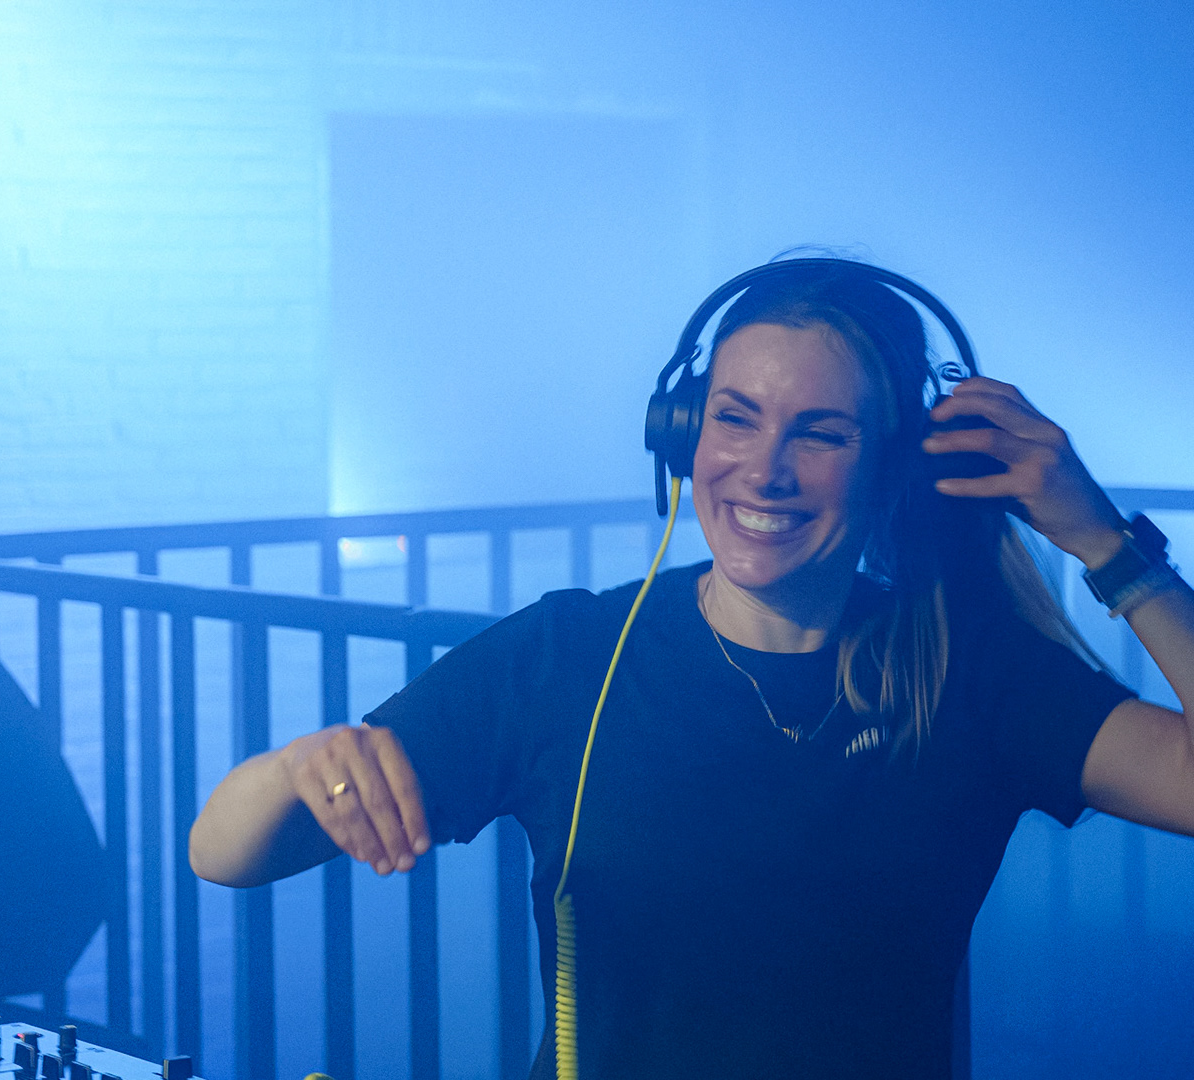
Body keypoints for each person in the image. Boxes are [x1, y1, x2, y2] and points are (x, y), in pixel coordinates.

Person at [187, 259, 1194, 1079]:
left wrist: (1109, 545)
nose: (764, 471)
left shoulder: (964, 672)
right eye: (735, 417)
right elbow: (221, 852)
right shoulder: (569, 657)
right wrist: (296, 769)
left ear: (892, 465)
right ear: (683, 431)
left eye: (821, 433)